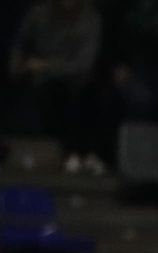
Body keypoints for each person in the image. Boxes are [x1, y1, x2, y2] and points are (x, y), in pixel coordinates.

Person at [11, 0, 104, 175]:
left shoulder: (91, 19)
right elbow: (20, 46)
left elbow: (83, 65)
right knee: (55, 91)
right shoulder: (38, 14)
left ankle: (83, 154)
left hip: (78, 81)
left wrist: (45, 66)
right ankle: (72, 154)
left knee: (86, 93)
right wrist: (18, 67)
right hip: (45, 83)